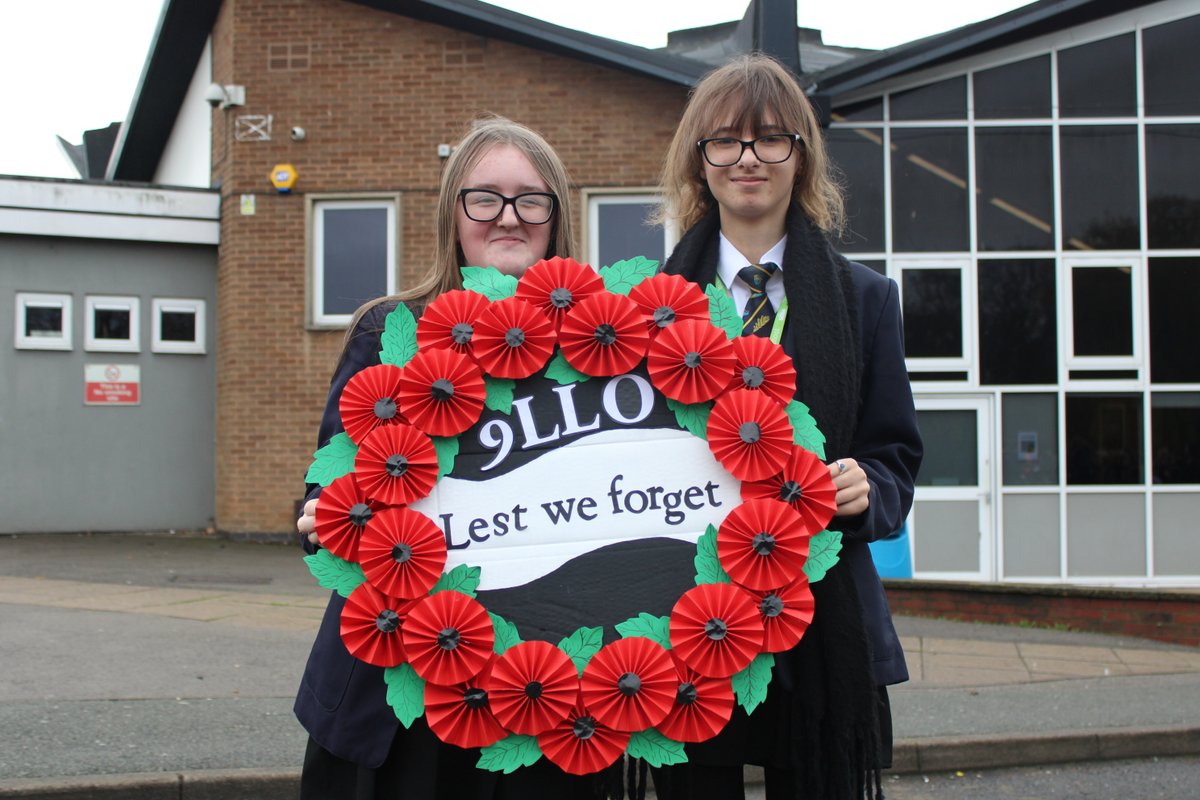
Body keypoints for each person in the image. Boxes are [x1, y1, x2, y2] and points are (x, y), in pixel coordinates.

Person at [293, 116, 604, 800]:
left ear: (556, 216)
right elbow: (323, 490)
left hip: (544, 702)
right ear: (453, 213)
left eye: (531, 198)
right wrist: (322, 516)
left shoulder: (604, 351)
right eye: (485, 197)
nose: (508, 216)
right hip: (399, 703)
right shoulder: (389, 331)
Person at [651, 54, 922, 800]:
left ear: (801, 157)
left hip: (818, 622)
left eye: (771, 139)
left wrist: (874, 487)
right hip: (685, 619)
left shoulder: (865, 300)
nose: (748, 158)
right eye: (725, 141)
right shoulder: (646, 308)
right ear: (697, 160)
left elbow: (895, 450)